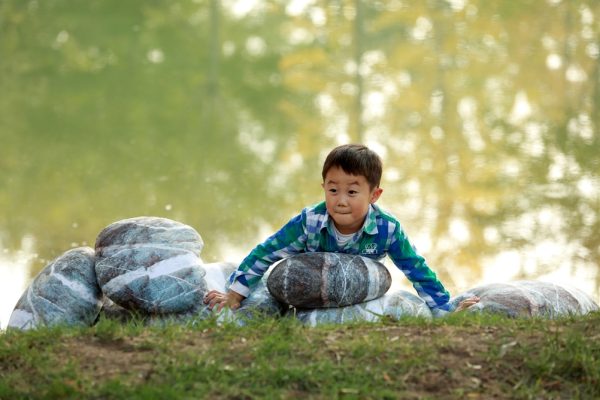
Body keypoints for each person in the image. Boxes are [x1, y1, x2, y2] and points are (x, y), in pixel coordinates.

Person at [204, 144, 479, 315]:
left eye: (352, 191)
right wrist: (235, 293)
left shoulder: (387, 229)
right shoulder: (310, 221)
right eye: (333, 189)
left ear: (374, 195)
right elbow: (267, 251)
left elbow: (416, 269)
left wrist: (444, 308)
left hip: (358, 292)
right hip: (310, 290)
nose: (341, 200)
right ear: (323, 187)